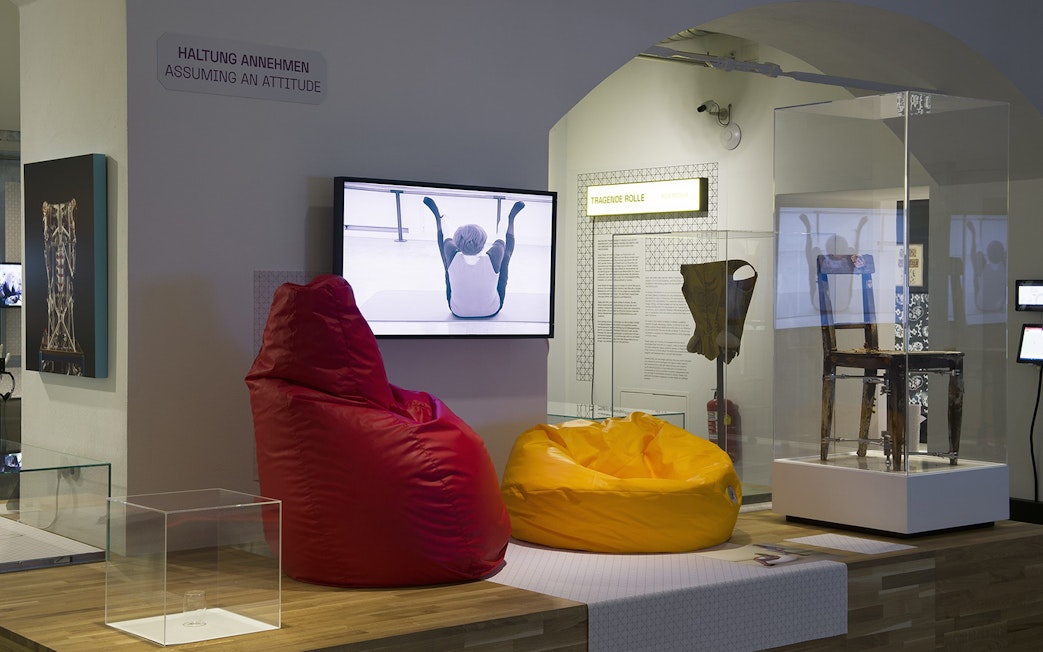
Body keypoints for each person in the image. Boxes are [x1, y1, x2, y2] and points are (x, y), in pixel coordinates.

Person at [423, 196, 525, 318]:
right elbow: (501, 234)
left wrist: (443, 219)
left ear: (458, 244)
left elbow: (446, 234)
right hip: (491, 310)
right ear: (483, 245)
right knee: (505, 257)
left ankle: (438, 218)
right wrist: (505, 220)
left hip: (458, 311)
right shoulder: (493, 257)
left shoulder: (452, 255)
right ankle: (510, 219)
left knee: (447, 261)